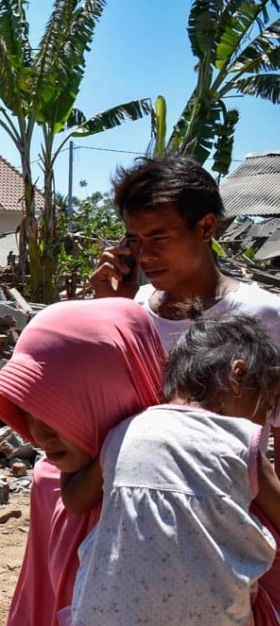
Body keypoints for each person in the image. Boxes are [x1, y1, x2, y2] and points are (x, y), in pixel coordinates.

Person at [55, 314, 280, 626]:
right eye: (264, 405)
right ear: (239, 375)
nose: (262, 423)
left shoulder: (124, 432)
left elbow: (75, 501)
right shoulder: (243, 442)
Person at [0, 297, 165, 626]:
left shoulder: (160, 499)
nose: (38, 433)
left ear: (114, 392)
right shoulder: (50, 479)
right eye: (30, 412)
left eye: (58, 408)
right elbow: (40, 599)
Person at [88, 154, 280, 465]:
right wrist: (115, 311)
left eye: (158, 237)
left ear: (205, 228)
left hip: (228, 510)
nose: (145, 255)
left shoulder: (265, 316)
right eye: (135, 240)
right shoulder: (128, 310)